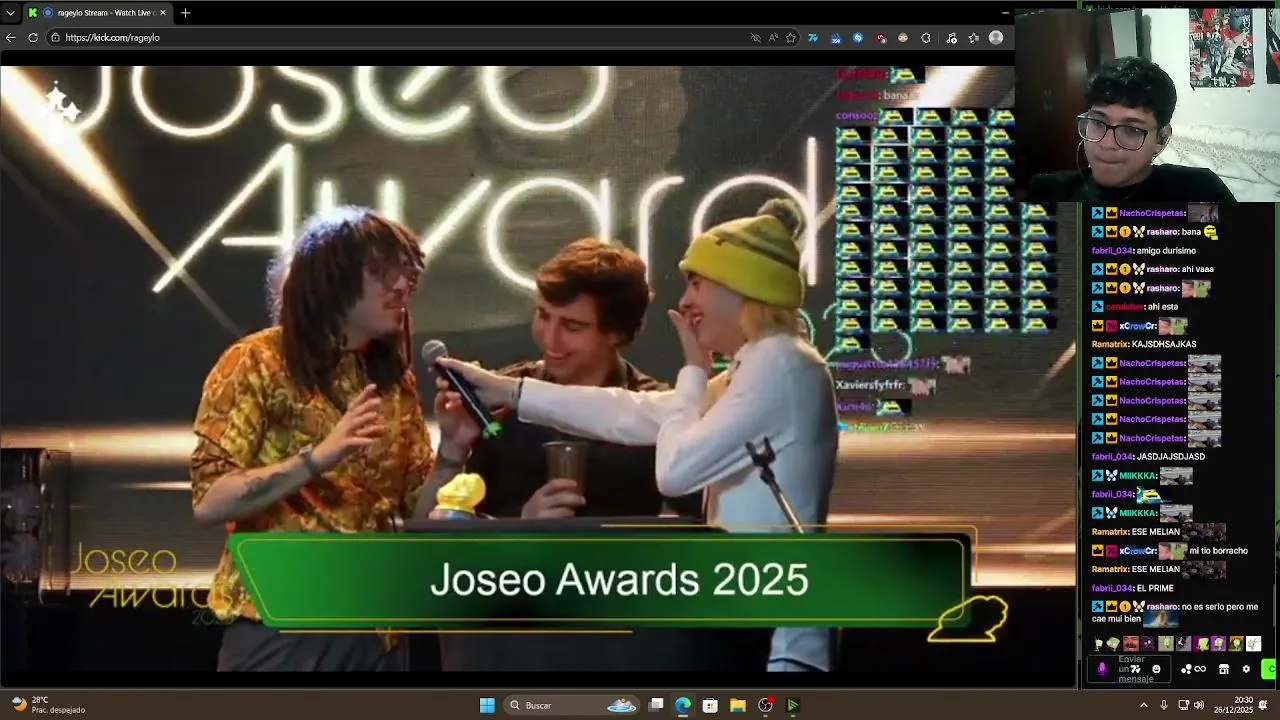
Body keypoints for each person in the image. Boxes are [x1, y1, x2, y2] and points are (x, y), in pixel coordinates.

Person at [435, 199, 839, 672]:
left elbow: (675, 470)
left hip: (778, 644)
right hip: (751, 635)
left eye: (697, 283)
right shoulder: (756, 365)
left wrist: (693, 370)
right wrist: (510, 390)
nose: (685, 303)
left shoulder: (780, 363)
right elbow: (631, 412)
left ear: (739, 289)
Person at [189, 206, 446, 671]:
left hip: (379, 628)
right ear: (332, 280)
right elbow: (210, 501)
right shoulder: (257, 361)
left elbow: (415, 511)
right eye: (382, 273)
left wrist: (455, 452)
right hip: (286, 625)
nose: (401, 287)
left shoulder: (392, 380)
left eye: (407, 275)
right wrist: (320, 457)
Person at [424, 237, 701, 520]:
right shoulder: (496, 403)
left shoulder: (656, 413)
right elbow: (430, 532)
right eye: (543, 315)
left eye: (572, 326)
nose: (550, 339)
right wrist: (452, 451)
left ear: (616, 333)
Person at [1027, 57, 1236, 202]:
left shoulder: (1198, 192)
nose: (1107, 144)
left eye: (1131, 129)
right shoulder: (1049, 191)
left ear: (1161, 139)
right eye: (1098, 123)